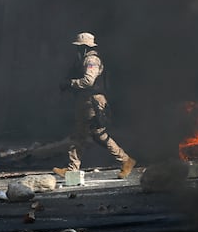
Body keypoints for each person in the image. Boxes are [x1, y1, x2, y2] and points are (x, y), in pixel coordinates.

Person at [53, 32, 136, 179]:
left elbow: (88, 81)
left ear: (85, 47)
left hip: (91, 101)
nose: (77, 50)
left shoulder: (91, 59)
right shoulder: (84, 59)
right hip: (87, 101)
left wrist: (70, 83)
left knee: (83, 134)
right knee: (96, 134)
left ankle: (73, 169)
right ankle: (125, 160)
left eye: (79, 47)